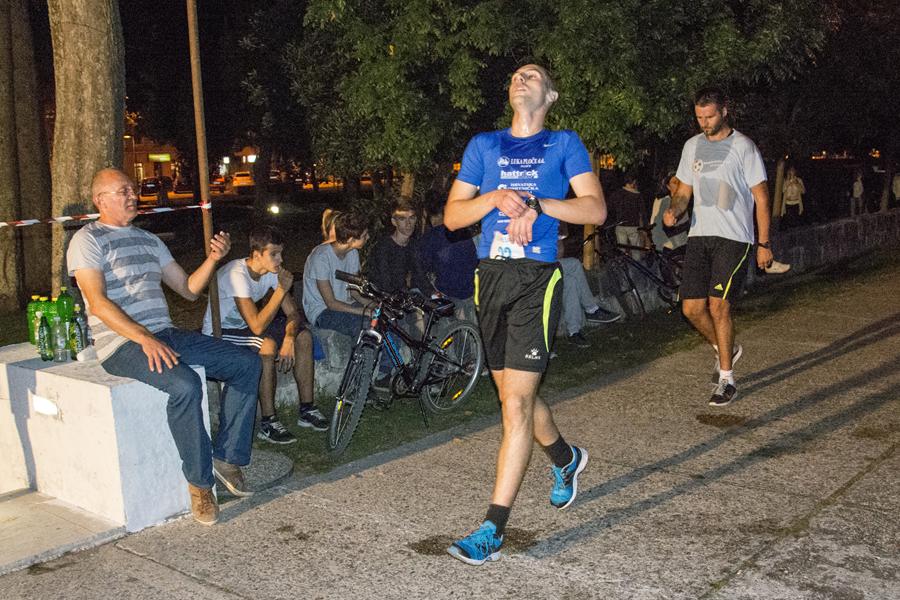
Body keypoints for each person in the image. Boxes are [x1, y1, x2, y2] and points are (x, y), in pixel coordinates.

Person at [444, 64, 606, 565]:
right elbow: (452, 216)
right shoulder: (484, 145)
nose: (521, 79)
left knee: (514, 404)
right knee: (513, 395)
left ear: (550, 95)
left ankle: (492, 529)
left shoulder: (564, 144)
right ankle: (566, 458)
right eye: (516, 75)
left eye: (533, 76)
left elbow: (595, 210)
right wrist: (493, 197)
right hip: (491, 276)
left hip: (537, 278)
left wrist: (540, 204)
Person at [67, 168, 261, 526]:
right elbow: (97, 302)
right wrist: (143, 337)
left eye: (132, 189)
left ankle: (227, 457)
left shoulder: (148, 239)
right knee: (185, 385)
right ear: (100, 200)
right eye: (123, 191)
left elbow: (188, 289)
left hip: (165, 333)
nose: (132, 196)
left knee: (247, 363)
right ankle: (200, 484)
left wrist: (213, 259)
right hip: (122, 344)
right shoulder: (87, 240)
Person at [664, 87, 773, 407]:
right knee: (691, 309)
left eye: (709, 116)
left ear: (724, 111)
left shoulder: (744, 147)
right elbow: (683, 191)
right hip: (700, 236)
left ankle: (727, 380)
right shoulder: (692, 146)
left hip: (734, 237)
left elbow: (762, 197)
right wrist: (674, 210)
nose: (704, 123)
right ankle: (727, 348)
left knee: (719, 306)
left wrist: (764, 243)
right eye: (699, 117)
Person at [201, 226, 328, 445]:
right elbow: (257, 326)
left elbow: (293, 313)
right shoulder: (237, 275)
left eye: (281, 253)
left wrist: (289, 338)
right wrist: (280, 291)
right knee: (267, 344)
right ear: (257, 254)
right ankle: (268, 421)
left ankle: (307, 409)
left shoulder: (271, 272)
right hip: (220, 332)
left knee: (304, 337)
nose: (280, 259)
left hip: (246, 328)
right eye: (274, 254)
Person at [302, 210, 392, 387]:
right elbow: (330, 303)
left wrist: (373, 305)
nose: (367, 238)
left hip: (344, 304)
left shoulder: (352, 253)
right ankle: (359, 382)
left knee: (384, 317)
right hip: (321, 311)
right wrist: (363, 311)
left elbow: (353, 292)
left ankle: (384, 373)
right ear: (351, 239)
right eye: (364, 235)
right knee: (364, 325)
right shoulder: (320, 257)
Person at [418, 191, 479, 323]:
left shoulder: (430, 237)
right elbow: (474, 260)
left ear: (427, 215)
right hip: (468, 291)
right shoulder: (463, 231)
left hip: (447, 293)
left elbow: (424, 266)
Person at [556, 223, 621, 348]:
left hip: (549, 265)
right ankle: (591, 309)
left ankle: (573, 332)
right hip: (533, 268)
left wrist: (558, 243)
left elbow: (560, 250)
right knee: (574, 264)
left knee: (571, 282)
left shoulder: (553, 224)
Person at [366, 198, 431, 295]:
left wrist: (434, 294)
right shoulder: (383, 247)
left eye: (412, 218)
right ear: (394, 222)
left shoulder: (412, 244)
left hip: (400, 295)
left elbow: (419, 275)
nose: (408, 224)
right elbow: (384, 284)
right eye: (402, 219)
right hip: (379, 297)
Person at [607, 171, 649, 260]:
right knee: (636, 249)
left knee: (621, 250)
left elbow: (609, 208)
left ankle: (622, 266)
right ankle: (636, 266)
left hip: (620, 225)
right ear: (633, 182)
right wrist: (646, 227)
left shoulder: (616, 194)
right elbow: (643, 212)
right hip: (633, 226)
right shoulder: (637, 195)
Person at [649, 172, 689, 251]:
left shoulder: (682, 201)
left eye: (680, 182)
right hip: (672, 243)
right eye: (674, 182)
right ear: (668, 186)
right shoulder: (666, 201)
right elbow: (657, 223)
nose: (678, 185)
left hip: (682, 240)